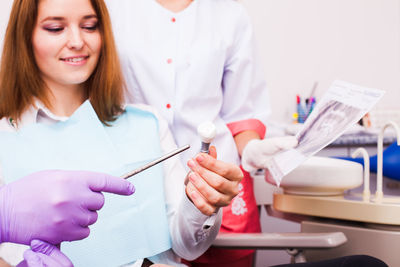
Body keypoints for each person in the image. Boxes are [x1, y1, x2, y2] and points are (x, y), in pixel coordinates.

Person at [0, 0, 243, 266]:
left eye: (90, 26)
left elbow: (188, 248)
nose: (77, 40)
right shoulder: (6, 138)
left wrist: (200, 202)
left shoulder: (147, 123)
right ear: (25, 37)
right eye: (56, 28)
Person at [105, 0, 298, 266]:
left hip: (219, 180)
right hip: (145, 185)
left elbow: (241, 110)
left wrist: (251, 148)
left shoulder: (230, 15)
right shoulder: (113, 9)